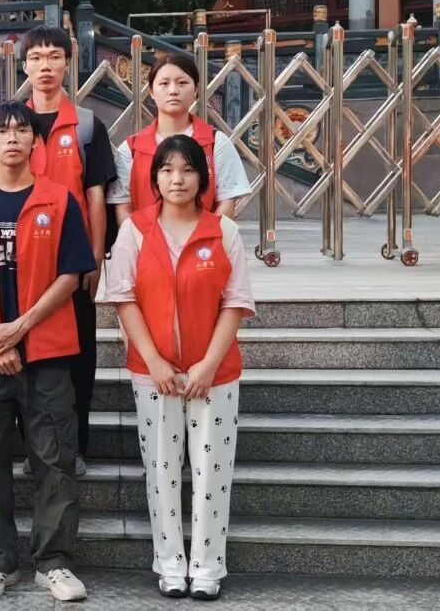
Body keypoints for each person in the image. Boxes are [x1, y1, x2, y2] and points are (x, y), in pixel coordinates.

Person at [0, 102, 92, 602]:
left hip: (47, 352)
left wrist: (21, 328)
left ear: (36, 141)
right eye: (2, 131)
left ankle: (53, 563)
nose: (12, 138)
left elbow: (70, 275)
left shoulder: (60, 199)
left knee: (54, 461)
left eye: (21, 130)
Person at [105, 134, 254, 601]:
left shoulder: (222, 231)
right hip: (154, 373)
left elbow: (236, 302)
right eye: (167, 170)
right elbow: (123, 297)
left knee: (212, 472)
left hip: (215, 374)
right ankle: (170, 563)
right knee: (162, 469)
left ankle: (207, 566)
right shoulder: (134, 230)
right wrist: (154, 361)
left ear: (202, 178)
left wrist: (208, 365)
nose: (177, 179)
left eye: (188, 170)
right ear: (154, 179)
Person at [8, 25, 117, 476]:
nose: (45, 66)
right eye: (36, 58)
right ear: (25, 66)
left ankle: (75, 446)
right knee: (24, 351)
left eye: (54, 56)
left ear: (67, 63)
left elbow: (96, 194)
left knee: (78, 356)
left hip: (73, 263)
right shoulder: (12, 125)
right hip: (22, 260)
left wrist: (94, 257)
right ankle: (30, 446)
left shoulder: (88, 125)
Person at [108, 52, 250, 226]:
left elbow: (226, 203)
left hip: (204, 241)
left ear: (195, 90)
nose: (173, 91)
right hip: (144, 241)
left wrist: (205, 237)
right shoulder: (131, 149)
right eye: (164, 83)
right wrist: (142, 239)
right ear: (151, 91)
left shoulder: (216, 143)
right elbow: (123, 208)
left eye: (182, 83)